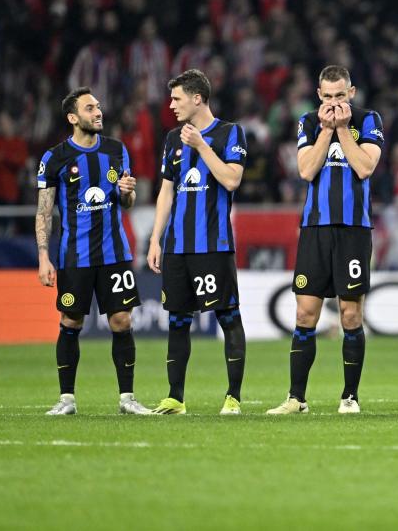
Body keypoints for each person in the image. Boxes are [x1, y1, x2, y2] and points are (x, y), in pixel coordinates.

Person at [266, 65, 383, 415]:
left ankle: (350, 396)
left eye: (340, 95)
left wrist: (343, 130)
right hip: (316, 228)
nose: (334, 102)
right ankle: (296, 398)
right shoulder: (307, 121)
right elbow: (305, 170)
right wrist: (325, 132)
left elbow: (364, 168)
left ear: (352, 92)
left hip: (353, 230)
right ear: (319, 95)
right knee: (305, 313)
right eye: (327, 96)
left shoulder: (369, 120)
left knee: (349, 314)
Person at [36, 87, 150, 415]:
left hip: (115, 253)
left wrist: (128, 193)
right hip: (75, 255)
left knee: (122, 320)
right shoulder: (54, 158)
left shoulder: (116, 150)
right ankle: (66, 399)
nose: (98, 112)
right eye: (89, 108)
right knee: (71, 321)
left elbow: (127, 202)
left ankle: (127, 398)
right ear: (73, 118)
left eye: (98, 106)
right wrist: (44, 257)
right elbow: (44, 212)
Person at [146, 69, 249, 415]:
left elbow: (232, 180)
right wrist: (155, 238)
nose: (171, 105)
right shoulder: (173, 139)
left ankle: (233, 397)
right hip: (177, 246)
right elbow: (165, 191)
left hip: (213, 244)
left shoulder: (229, 133)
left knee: (227, 317)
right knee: (177, 320)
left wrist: (202, 146)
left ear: (197, 98)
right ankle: (175, 397)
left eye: (177, 98)